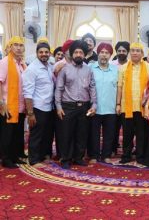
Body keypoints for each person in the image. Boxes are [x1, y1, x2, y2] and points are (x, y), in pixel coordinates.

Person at [55, 40, 97, 169]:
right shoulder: (65, 69)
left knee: (81, 133)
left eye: (81, 52)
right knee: (66, 134)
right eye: (76, 52)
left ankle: (78, 157)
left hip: (84, 106)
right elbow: (59, 88)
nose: (78, 54)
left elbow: (92, 88)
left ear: (84, 55)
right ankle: (66, 159)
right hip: (67, 106)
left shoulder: (88, 70)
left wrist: (94, 105)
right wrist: (58, 106)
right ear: (72, 54)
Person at [116, 42, 149, 164]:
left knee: (141, 134)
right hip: (126, 106)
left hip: (143, 107)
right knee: (127, 133)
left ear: (142, 53)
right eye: (132, 50)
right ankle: (126, 155)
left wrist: (148, 106)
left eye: (137, 50)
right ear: (129, 53)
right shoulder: (123, 68)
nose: (135, 53)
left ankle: (140, 156)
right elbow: (120, 87)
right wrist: (117, 104)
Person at [22, 42, 55, 167]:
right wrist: (30, 113)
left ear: (49, 53)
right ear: (37, 54)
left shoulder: (49, 66)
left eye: (46, 52)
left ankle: (42, 155)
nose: (44, 54)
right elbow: (28, 93)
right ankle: (34, 160)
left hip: (49, 106)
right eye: (41, 52)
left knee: (46, 134)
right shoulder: (32, 69)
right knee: (36, 134)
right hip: (37, 107)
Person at [0, 36, 27, 168]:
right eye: (15, 45)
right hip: (8, 105)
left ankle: (15, 156)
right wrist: (1, 103)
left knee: (17, 133)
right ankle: (6, 159)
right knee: (7, 134)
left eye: (21, 45)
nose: (18, 47)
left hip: (20, 106)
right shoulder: (5, 62)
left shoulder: (22, 64)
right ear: (10, 47)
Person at [89, 42, 118, 164]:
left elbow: (120, 88)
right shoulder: (90, 68)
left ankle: (106, 155)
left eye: (107, 53)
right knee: (93, 134)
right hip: (94, 107)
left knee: (109, 134)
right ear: (98, 54)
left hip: (110, 108)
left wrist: (118, 104)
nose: (104, 55)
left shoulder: (116, 70)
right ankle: (94, 156)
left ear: (110, 55)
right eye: (102, 52)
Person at [111, 41, 130, 155]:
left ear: (127, 52)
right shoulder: (111, 64)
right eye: (119, 51)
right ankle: (113, 149)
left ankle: (127, 151)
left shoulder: (131, 65)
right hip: (113, 100)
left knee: (128, 128)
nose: (121, 53)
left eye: (124, 51)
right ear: (116, 52)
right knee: (114, 127)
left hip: (127, 101)